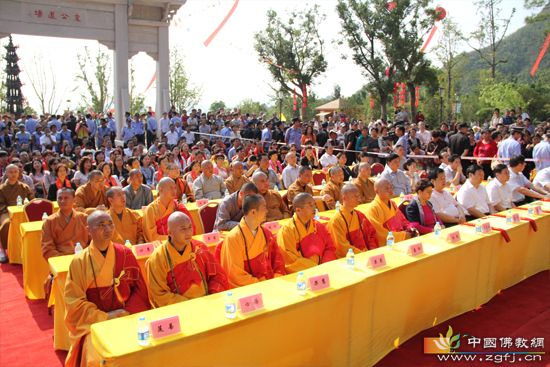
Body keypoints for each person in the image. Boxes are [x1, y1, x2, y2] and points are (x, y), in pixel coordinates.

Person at [64, 211, 150, 367]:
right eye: (101, 225)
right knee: (96, 358)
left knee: (146, 349)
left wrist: (128, 311)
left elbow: (139, 290)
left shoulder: (125, 253)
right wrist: (105, 317)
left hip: (127, 316)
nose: (108, 229)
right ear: (88, 230)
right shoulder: (79, 262)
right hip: (95, 324)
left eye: (110, 224)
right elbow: (74, 302)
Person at [146, 212, 229, 308]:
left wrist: (212, 296)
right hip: (180, 309)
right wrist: (191, 305)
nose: (189, 232)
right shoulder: (158, 258)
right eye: (183, 229)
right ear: (169, 232)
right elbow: (159, 294)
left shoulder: (200, 248)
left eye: (190, 227)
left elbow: (218, 276)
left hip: (207, 303)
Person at [219, 194, 286, 287]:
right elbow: (234, 274)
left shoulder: (266, 233)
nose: (267, 211)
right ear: (253, 212)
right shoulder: (233, 238)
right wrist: (260, 284)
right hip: (250, 289)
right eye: (264, 207)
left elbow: (277, 260)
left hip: (271, 284)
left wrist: (276, 278)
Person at [327, 184, 378, 257]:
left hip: (366, 255)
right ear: (344, 198)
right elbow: (341, 247)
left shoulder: (360, 215)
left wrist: (372, 250)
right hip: (350, 259)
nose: (359, 199)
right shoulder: (336, 221)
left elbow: (371, 234)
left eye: (359, 196)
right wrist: (362, 255)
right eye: (355, 196)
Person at [364, 179, 415, 246]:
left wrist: (410, 228)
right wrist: (404, 235)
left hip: (402, 239)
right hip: (389, 245)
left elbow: (403, 220)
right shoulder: (373, 209)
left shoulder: (392, 203)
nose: (390, 191)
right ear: (376, 191)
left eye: (391, 187)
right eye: (386, 189)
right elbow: (380, 235)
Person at [42, 188, 89, 260]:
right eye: (59, 198)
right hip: (61, 259)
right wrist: (61, 259)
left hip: (84, 258)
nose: (62, 201)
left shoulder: (84, 218)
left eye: (66, 198)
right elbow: (47, 247)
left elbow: (94, 241)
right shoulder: (49, 222)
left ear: (74, 200)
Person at [143, 177, 195, 242]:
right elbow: (151, 236)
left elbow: (191, 228)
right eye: (171, 188)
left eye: (175, 188)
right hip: (162, 246)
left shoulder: (178, 206)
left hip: (181, 243)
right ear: (160, 190)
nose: (174, 191)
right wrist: (174, 239)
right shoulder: (151, 209)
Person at [0, 164, 34, 261]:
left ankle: (29, 248)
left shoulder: (24, 187)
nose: (13, 174)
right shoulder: (2, 188)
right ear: (6, 173)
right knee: (6, 224)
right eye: (11, 172)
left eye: (15, 172)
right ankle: (3, 248)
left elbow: (32, 200)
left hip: (24, 211)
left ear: (19, 173)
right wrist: (9, 211)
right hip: (6, 212)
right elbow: (0, 203)